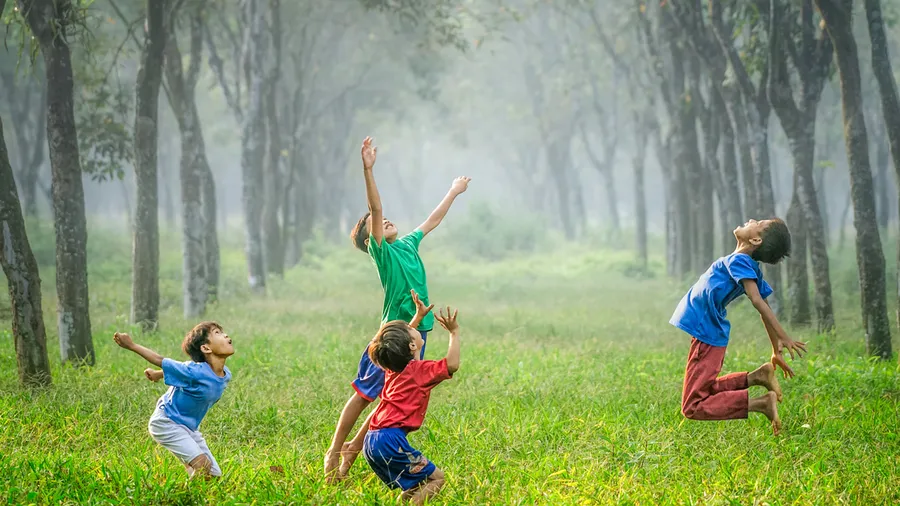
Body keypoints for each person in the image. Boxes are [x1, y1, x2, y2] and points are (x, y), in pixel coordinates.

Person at [323, 136, 470, 481]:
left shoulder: (406, 244)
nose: (384, 220)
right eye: (374, 224)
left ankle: (348, 462)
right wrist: (368, 169)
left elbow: (431, 220)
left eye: (386, 219)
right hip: (392, 335)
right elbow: (375, 208)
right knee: (364, 395)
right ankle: (334, 453)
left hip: (418, 332)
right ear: (368, 240)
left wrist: (453, 191)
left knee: (389, 400)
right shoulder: (383, 253)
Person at [670, 218, 807, 435]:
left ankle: (761, 404)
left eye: (758, 222)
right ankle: (757, 377)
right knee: (705, 390)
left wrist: (783, 337)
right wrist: (775, 349)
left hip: (706, 333)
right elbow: (764, 303)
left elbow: (758, 300)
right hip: (707, 332)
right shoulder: (743, 263)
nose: (751, 219)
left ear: (755, 239)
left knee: (693, 406)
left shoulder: (741, 261)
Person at [363, 306, 460, 504]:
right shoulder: (420, 371)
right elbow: (452, 364)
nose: (412, 327)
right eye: (410, 329)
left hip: (371, 440)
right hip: (390, 441)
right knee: (437, 479)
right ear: (412, 346)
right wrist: (454, 332)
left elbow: (398, 344)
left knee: (416, 484)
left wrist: (418, 317)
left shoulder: (393, 368)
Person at [113, 322, 234, 477]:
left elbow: (183, 373)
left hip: (189, 428)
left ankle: (192, 474)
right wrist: (131, 345)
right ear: (206, 348)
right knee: (203, 467)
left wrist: (158, 374)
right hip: (167, 422)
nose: (225, 335)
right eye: (217, 333)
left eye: (223, 332)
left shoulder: (225, 374)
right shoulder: (194, 371)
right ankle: (182, 496)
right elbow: (160, 359)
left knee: (213, 475)